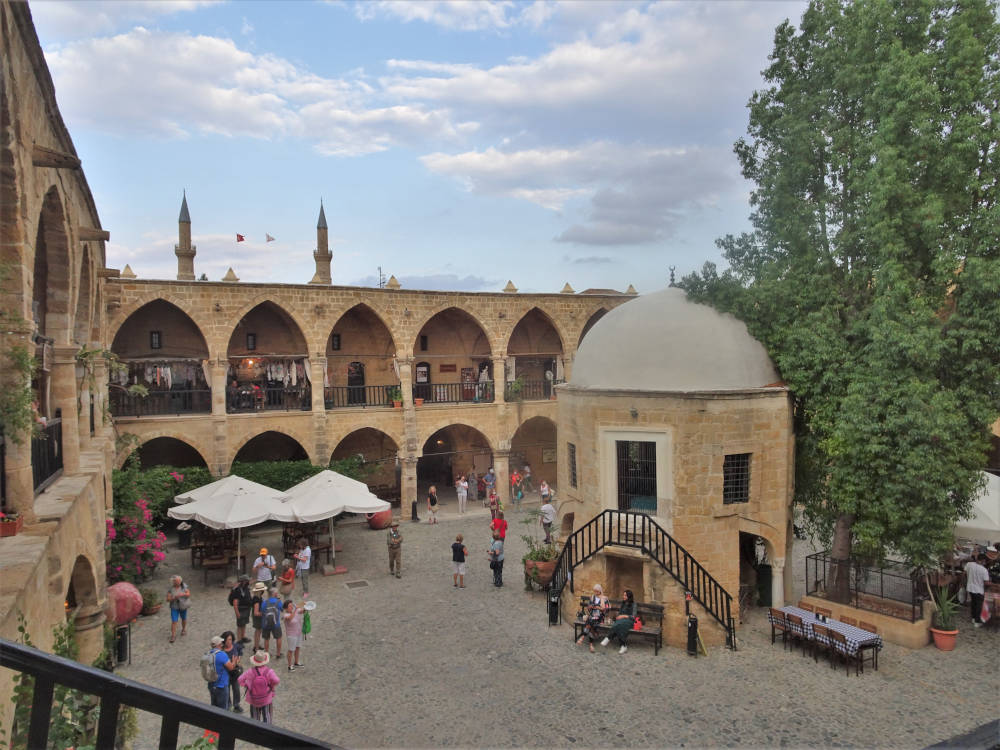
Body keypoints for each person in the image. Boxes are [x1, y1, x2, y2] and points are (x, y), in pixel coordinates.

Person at [238, 650, 280, 724]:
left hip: (254, 699)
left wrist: (246, 685)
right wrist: (271, 685)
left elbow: (240, 679)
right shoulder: (269, 671)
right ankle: (267, 732)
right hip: (266, 699)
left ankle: (255, 733)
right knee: (267, 717)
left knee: (255, 719)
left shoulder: (250, 671)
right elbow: (276, 680)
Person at [601, 589, 638, 654]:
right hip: (621, 621)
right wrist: (618, 616)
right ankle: (623, 646)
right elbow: (620, 613)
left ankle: (608, 638)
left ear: (629, 597)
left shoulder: (634, 604)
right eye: (623, 595)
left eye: (625, 595)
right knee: (619, 625)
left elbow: (633, 617)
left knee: (618, 625)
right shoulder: (623, 603)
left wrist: (623, 616)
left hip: (630, 621)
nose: (623, 596)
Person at [576, 584, 609, 653]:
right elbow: (588, 607)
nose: (595, 593)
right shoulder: (592, 597)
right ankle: (591, 645)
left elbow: (606, 609)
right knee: (591, 623)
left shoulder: (604, 598)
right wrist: (591, 607)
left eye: (597, 591)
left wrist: (598, 608)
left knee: (591, 620)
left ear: (600, 591)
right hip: (592, 615)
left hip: (600, 616)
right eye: (594, 591)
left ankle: (582, 637)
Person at [207, 635, 234, 710]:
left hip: (211, 685)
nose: (222, 644)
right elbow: (231, 667)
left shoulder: (208, 654)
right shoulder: (222, 655)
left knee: (214, 707)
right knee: (223, 709)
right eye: (221, 643)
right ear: (219, 645)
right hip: (221, 685)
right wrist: (234, 662)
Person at [220, 630, 244, 712]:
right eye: (227, 640)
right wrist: (233, 663)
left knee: (236, 689)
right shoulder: (221, 651)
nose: (229, 642)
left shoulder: (234, 645)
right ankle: (228, 705)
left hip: (235, 673)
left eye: (230, 639)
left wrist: (239, 659)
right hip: (226, 674)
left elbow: (240, 650)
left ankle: (236, 705)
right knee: (227, 690)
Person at [965, 553, 990, 627]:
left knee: (973, 603)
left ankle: (973, 618)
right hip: (979, 590)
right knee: (978, 605)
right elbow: (986, 583)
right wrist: (995, 584)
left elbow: (964, 573)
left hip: (970, 587)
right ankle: (977, 621)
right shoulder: (984, 570)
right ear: (983, 560)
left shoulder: (969, 564)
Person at [228, 574, 253, 644]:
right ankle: (239, 640)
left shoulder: (245, 587)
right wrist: (237, 613)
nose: (248, 581)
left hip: (246, 608)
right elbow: (235, 602)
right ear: (243, 581)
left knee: (244, 623)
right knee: (239, 625)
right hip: (241, 609)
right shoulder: (237, 590)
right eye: (247, 580)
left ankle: (243, 637)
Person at [282, 600, 306, 671]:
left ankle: (296, 662)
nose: (291, 607)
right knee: (291, 650)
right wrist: (295, 609)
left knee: (298, 647)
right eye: (290, 606)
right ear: (286, 608)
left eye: (292, 605)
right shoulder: (285, 615)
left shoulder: (296, 610)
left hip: (298, 633)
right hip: (291, 635)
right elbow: (290, 618)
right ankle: (289, 666)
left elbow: (302, 611)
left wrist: (306, 607)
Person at [166, 575, 190, 643]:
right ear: (173, 582)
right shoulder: (171, 589)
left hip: (183, 605)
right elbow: (167, 599)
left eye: (179, 581)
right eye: (176, 581)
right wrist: (173, 598)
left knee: (184, 618)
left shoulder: (184, 586)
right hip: (174, 606)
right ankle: (173, 636)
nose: (178, 582)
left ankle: (183, 629)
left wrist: (182, 594)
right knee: (174, 621)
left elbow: (188, 594)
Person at [260, 587, 283, 656]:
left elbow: (262, 611)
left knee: (266, 639)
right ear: (275, 594)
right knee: (278, 637)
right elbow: (282, 609)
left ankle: (266, 653)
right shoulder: (278, 602)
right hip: (276, 624)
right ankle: (278, 653)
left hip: (265, 623)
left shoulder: (264, 602)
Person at [250, 582, 267, 651]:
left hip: (258, 618)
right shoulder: (257, 600)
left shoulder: (257, 597)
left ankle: (256, 645)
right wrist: (264, 613)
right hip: (258, 618)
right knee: (258, 632)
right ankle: (256, 647)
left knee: (258, 631)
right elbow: (256, 613)